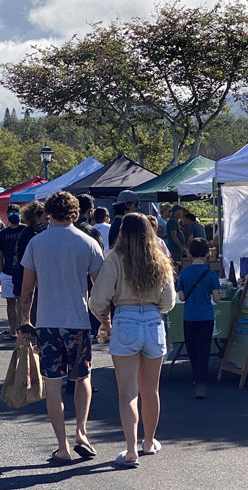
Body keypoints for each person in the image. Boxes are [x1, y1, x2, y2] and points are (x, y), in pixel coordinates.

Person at [17, 191, 104, 465]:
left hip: (47, 321)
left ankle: (62, 445)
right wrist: (104, 318)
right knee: (83, 378)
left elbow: (27, 288)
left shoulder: (36, 243)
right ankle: (82, 432)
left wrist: (24, 319)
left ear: (48, 213)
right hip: (78, 320)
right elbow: (98, 287)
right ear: (76, 213)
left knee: (53, 383)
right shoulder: (87, 243)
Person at [89, 213, 176, 468]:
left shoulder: (115, 258)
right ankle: (149, 441)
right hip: (152, 320)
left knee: (127, 392)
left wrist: (104, 318)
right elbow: (168, 302)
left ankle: (130, 449)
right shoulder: (160, 258)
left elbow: (98, 298)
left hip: (125, 319)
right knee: (151, 389)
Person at [177, 237, 221, 399]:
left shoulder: (184, 273)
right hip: (206, 316)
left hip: (189, 316)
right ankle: (201, 383)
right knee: (204, 349)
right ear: (207, 253)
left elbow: (181, 297)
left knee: (192, 349)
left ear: (190, 253)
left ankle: (196, 378)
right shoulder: (210, 274)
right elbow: (216, 298)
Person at [0, 205, 26, 339]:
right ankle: (13, 330)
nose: (14, 216)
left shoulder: (25, 230)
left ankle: (21, 329)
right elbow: (0, 253)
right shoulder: (3, 233)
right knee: (10, 302)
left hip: (23, 271)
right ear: (7, 216)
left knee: (21, 301)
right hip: (7, 271)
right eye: (11, 213)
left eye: (16, 213)